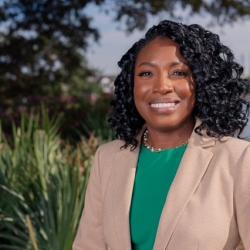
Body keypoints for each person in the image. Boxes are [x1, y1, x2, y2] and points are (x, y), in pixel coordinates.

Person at [73, 20, 250, 250]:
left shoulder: (240, 160)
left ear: (202, 82)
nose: (161, 86)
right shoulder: (106, 159)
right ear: (131, 85)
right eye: (146, 73)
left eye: (178, 72)